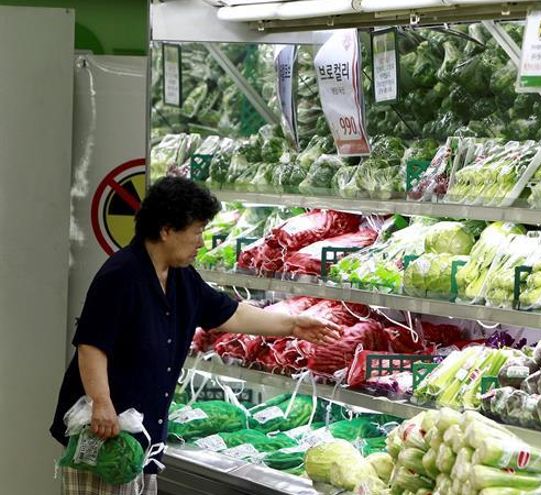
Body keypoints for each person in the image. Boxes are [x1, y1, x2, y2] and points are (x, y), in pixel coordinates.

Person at [50, 177, 341, 495]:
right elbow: (92, 344)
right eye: (197, 231)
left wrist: (292, 325)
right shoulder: (121, 276)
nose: (201, 242)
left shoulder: (181, 278)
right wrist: (101, 403)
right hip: (107, 438)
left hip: (143, 441)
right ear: (166, 230)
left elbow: (232, 313)